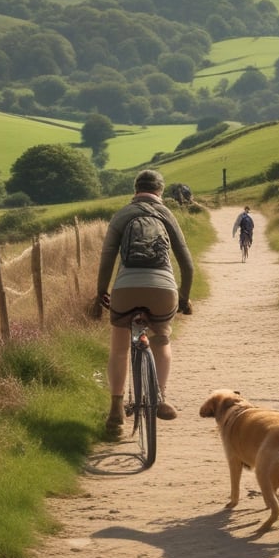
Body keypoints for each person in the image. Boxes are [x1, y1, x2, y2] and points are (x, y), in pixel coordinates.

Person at [93, 168, 193, 437]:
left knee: (119, 349)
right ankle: (160, 399)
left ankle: (115, 412)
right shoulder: (167, 215)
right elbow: (187, 263)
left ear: (135, 190)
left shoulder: (122, 215)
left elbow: (106, 261)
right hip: (162, 291)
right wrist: (184, 298)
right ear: (160, 191)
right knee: (162, 339)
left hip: (125, 290)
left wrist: (99, 294)